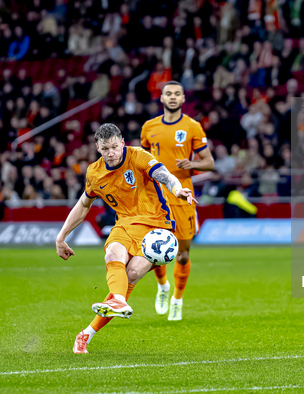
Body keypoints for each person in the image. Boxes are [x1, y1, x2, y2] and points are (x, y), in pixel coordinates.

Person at [56, 123, 195, 354]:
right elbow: (83, 204)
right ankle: (116, 302)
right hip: (125, 224)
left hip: (156, 225)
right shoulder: (94, 172)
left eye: (114, 147)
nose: (111, 152)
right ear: (97, 148)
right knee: (113, 254)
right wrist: (61, 237)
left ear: (122, 142)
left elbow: (164, 175)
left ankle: (86, 333)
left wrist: (178, 189)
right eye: (105, 148)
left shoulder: (138, 156)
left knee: (131, 273)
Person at [140, 81, 215, 321]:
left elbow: (210, 163)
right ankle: (162, 287)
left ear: (183, 99)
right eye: (168, 94)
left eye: (177, 94)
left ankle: (177, 299)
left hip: (183, 196)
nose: (172, 98)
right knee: (154, 250)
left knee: (182, 255)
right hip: (156, 198)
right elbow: (142, 161)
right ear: (161, 98)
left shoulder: (192, 127)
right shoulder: (149, 127)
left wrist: (192, 164)